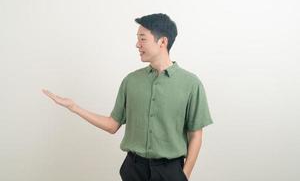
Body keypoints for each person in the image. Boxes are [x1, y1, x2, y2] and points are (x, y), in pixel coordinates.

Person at [42, 13, 213, 181]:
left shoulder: (191, 84)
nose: (137, 44)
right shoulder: (131, 81)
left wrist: (184, 175)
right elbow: (112, 125)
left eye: (142, 38)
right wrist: (74, 107)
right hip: (134, 169)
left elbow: (196, 135)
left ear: (163, 41)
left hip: (170, 172)